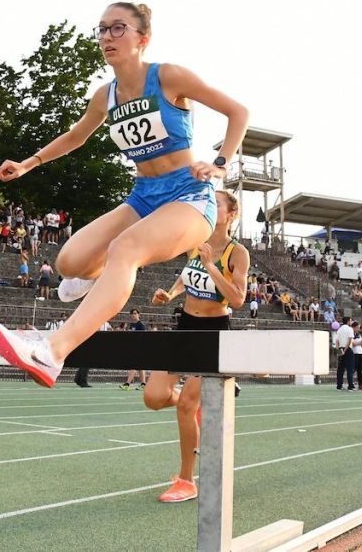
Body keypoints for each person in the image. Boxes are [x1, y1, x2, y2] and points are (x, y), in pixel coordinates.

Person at [0, 1, 250, 387]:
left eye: (118, 28)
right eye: (102, 29)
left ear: (143, 38)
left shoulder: (168, 77)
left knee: (124, 250)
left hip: (189, 197)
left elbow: (238, 112)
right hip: (144, 195)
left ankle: (53, 352)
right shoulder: (105, 96)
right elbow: (76, 137)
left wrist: (221, 163)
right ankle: (95, 283)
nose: (107, 36)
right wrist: (30, 163)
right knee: (70, 262)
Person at [142, 190, 249, 503]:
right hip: (185, 326)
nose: (210, 208)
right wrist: (171, 294)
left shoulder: (237, 252)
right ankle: (199, 404)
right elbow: (185, 277)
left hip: (214, 334)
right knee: (154, 397)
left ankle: (187, 480)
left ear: (231, 215)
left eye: (217, 204)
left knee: (187, 406)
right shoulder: (194, 243)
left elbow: (239, 299)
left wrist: (212, 266)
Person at [120, 308, 148, 390]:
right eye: (132, 313)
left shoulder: (141, 325)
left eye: (135, 313)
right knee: (140, 367)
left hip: (140, 349)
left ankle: (127, 384)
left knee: (134, 366)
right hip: (134, 348)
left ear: (139, 314)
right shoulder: (132, 325)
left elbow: (143, 338)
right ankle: (143, 384)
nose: (134, 315)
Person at [334, 317, 357, 391]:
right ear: (348, 321)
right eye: (350, 320)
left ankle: (339, 385)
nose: (351, 321)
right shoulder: (349, 329)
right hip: (348, 349)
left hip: (341, 348)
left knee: (340, 369)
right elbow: (350, 340)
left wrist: (339, 350)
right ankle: (350, 385)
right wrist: (346, 349)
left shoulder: (339, 329)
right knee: (350, 368)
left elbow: (337, 341)